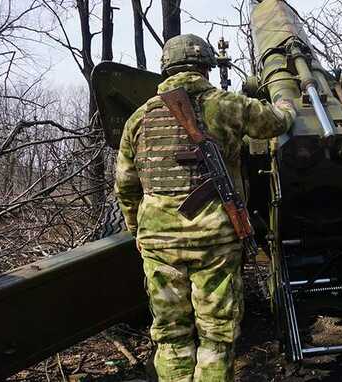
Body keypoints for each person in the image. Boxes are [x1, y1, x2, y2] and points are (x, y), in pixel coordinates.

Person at [115, 34, 296, 382]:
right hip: (214, 241)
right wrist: (287, 103)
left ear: (166, 67)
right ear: (206, 66)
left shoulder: (138, 119)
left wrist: (137, 229)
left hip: (158, 244)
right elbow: (277, 122)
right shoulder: (228, 105)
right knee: (216, 336)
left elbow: (125, 184)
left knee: (170, 336)